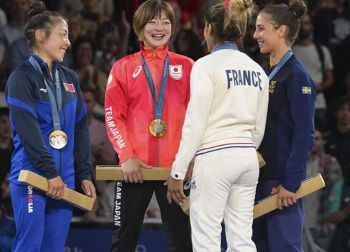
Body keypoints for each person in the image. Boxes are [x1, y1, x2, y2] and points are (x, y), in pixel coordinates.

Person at [167, 0, 269, 251]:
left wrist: (178, 171)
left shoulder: (205, 65)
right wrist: (242, 149)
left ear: (208, 29)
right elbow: (259, 128)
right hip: (247, 157)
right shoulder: (257, 69)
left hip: (215, 156)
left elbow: (195, 123)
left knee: (206, 240)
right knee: (242, 239)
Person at [5, 1, 96, 251]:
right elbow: (28, 131)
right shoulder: (21, 78)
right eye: (62, 34)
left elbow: (80, 129)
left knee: (54, 248)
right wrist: (49, 173)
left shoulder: (70, 79)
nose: (68, 42)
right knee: (30, 246)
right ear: (41, 36)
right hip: (33, 176)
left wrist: (84, 174)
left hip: (63, 181)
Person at [104, 0, 193, 251]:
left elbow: (197, 119)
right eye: (153, 21)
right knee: (123, 242)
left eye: (166, 21)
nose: (160, 27)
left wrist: (190, 159)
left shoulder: (188, 67)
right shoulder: (123, 67)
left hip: (175, 171)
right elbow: (112, 116)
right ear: (139, 27)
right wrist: (127, 156)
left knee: (183, 244)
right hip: (135, 170)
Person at [252, 1, 316, 251]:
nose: (256, 35)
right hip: (260, 179)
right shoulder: (268, 73)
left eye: (261, 28)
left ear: (281, 31)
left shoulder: (298, 76)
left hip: (281, 184)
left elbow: (305, 134)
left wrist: (291, 183)